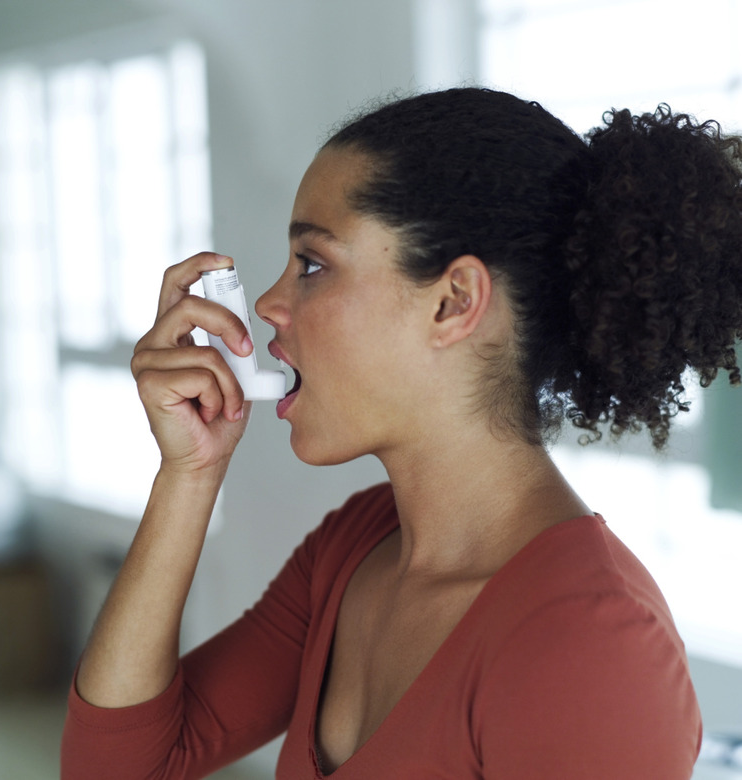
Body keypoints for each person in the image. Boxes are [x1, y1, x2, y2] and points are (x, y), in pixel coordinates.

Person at [60, 87, 742, 779]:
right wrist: (190, 473)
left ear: (453, 302)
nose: (268, 304)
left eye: (314, 264)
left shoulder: (592, 644)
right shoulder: (353, 549)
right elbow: (116, 769)